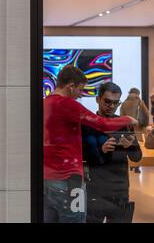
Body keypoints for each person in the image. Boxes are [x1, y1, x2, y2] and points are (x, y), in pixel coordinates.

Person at [44, 65, 138, 223]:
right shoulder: (66, 104)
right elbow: (102, 124)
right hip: (68, 179)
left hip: (50, 178)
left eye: (116, 103)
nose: (80, 95)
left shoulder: (46, 103)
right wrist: (129, 119)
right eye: (80, 90)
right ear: (71, 86)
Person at [82, 83, 142, 223]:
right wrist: (101, 150)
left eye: (116, 103)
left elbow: (137, 157)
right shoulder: (88, 124)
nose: (111, 106)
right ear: (98, 99)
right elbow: (82, 156)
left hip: (119, 190)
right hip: (95, 190)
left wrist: (130, 147)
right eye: (107, 101)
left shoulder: (123, 124)